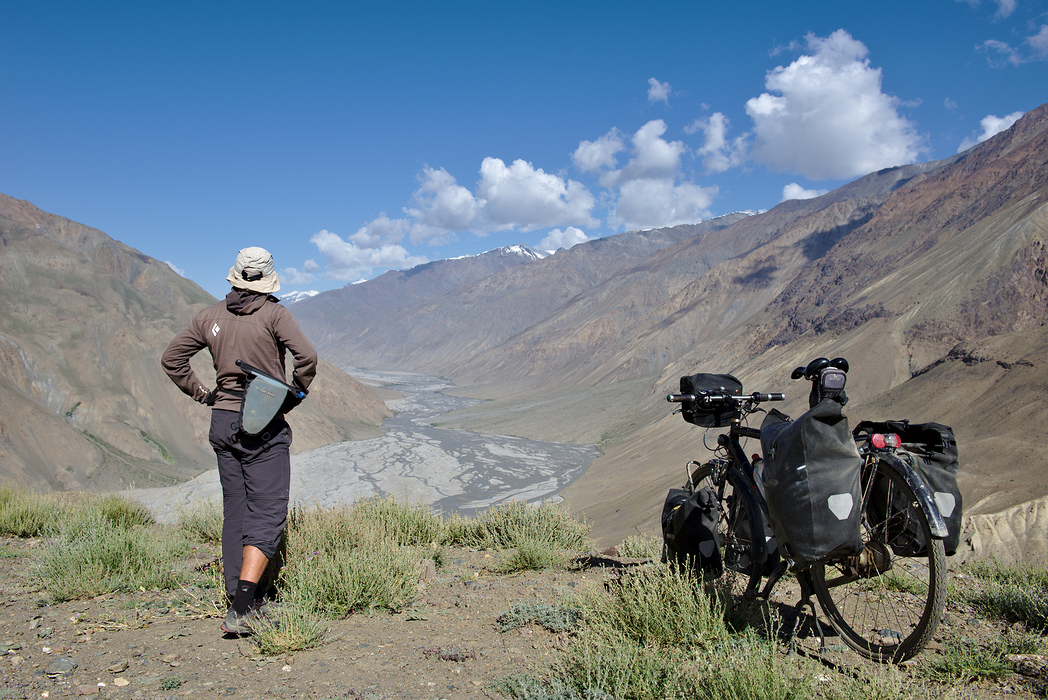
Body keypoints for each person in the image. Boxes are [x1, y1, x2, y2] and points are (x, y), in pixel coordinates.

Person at [161, 246, 318, 635]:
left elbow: (172, 359)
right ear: (267, 280)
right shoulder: (274, 313)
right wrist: (290, 396)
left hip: (222, 423)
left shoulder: (209, 316)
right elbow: (307, 357)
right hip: (261, 426)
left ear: (234, 278)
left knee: (237, 511)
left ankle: (240, 597)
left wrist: (204, 394)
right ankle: (244, 607)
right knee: (267, 511)